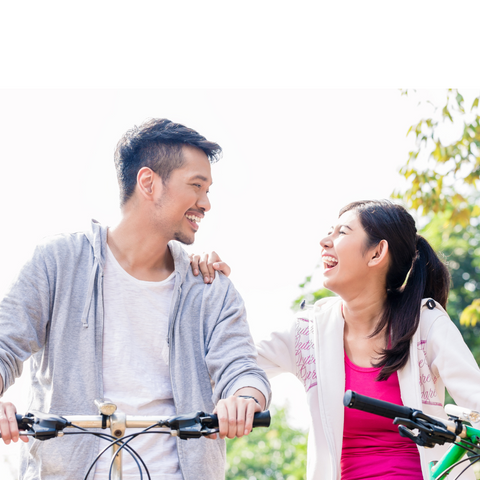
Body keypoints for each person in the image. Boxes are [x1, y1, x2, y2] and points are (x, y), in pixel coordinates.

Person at [0, 118, 271, 480]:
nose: (205, 203)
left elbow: (241, 368)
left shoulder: (210, 287)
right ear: (148, 182)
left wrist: (244, 400)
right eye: (196, 186)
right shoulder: (59, 262)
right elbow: (6, 341)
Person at [192, 199, 480, 480]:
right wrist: (203, 286)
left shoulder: (426, 323)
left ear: (377, 253)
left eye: (342, 232)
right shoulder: (308, 331)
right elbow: (231, 366)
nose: (324, 241)